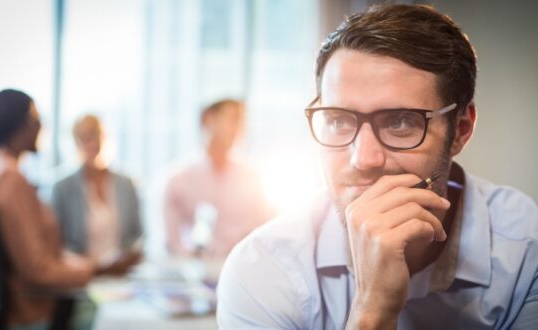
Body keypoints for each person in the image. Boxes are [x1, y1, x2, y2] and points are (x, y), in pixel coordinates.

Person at [217, 4, 538, 330]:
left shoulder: (527, 249)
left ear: (461, 130)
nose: (363, 159)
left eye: (399, 122)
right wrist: (373, 310)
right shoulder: (262, 271)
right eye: (339, 120)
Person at [0, 89, 94, 330]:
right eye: (35, 118)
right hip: (29, 315)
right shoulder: (11, 180)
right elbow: (36, 268)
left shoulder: (10, 174)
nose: (40, 125)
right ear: (18, 123)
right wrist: (95, 270)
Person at [165, 99, 274, 259]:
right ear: (209, 119)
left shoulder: (253, 178)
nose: (238, 129)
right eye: (232, 119)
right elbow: (172, 242)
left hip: (243, 268)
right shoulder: (178, 181)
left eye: (241, 121)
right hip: (196, 271)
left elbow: (266, 229)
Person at [51, 114, 143, 275]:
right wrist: (92, 266)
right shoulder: (63, 188)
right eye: (83, 137)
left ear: (104, 137)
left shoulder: (127, 184)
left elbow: (138, 235)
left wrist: (124, 259)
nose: (91, 142)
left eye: (95, 135)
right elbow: (57, 242)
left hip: (121, 275)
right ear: (75, 142)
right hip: (81, 275)